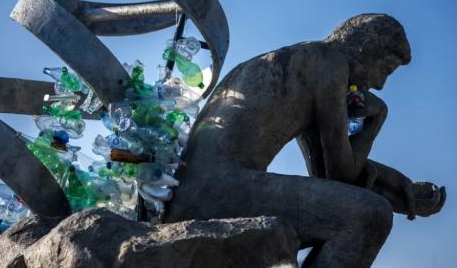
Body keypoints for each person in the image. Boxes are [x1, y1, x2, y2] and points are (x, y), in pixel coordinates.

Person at [166, 14, 445, 268]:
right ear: (365, 48)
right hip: (217, 190)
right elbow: (341, 174)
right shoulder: (329, 63)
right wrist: (376, 120)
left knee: (358, 210)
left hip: (196, 189)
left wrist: (400, 187)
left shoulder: (300, 61)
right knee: (370, 216)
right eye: (385, 69)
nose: (380, 84)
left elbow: (325, 176)